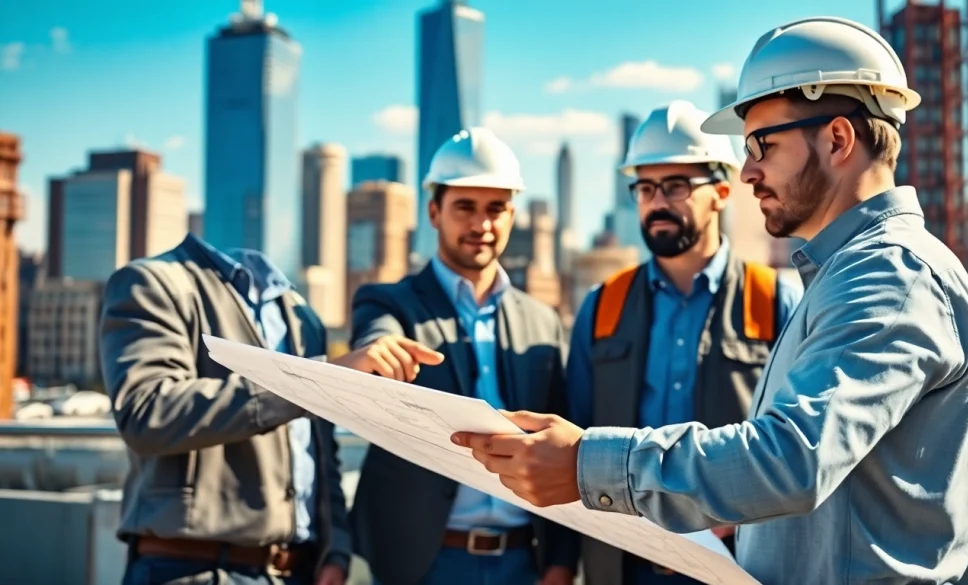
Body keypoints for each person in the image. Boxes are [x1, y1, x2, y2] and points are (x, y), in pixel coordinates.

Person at [451, 16, 968, 585]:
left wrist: (588, 463)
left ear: (838, 139)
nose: (749, 171)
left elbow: (791, 459)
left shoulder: (890, 275)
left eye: (763, 144)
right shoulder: (842, 276)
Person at [100, 233, 443, 585]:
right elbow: (147, 413)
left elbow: (320, 453)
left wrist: (335, 549)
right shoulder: (154, 282)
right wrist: (315, 380)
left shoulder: (300, 313)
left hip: (299, 571)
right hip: (193, 568)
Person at [564, 100, 802, 585]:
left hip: (734, 564)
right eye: (646, 188)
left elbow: (796, 444)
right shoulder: (601, 306)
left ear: (719, 192)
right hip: (622, 564)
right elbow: (573, 437)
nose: (657, 202)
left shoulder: (775, 298)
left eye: (675, 186)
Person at [347, 127, 577, 585]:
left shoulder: (542, 321)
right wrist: (379, 350)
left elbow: (563, 431)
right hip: (424, 563)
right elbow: (378, 335)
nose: (481, 225)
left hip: (523, 562)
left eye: (496, 209)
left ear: (513, 215)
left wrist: (562, 561)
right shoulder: (389, 302)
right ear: (434, 212)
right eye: (465, 208)